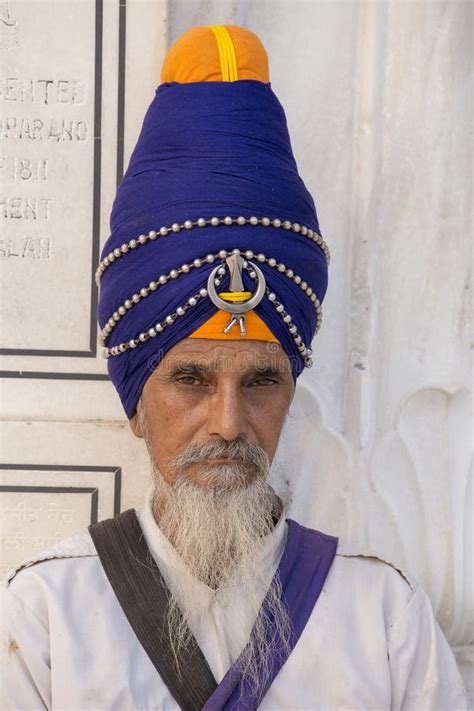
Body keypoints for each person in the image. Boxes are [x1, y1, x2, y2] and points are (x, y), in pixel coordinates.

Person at [1, 25, 468, 710]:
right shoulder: (46, 621)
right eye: (191, 379)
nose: (227, 423)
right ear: (135, 401)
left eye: (261, 381)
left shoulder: (387, 623)